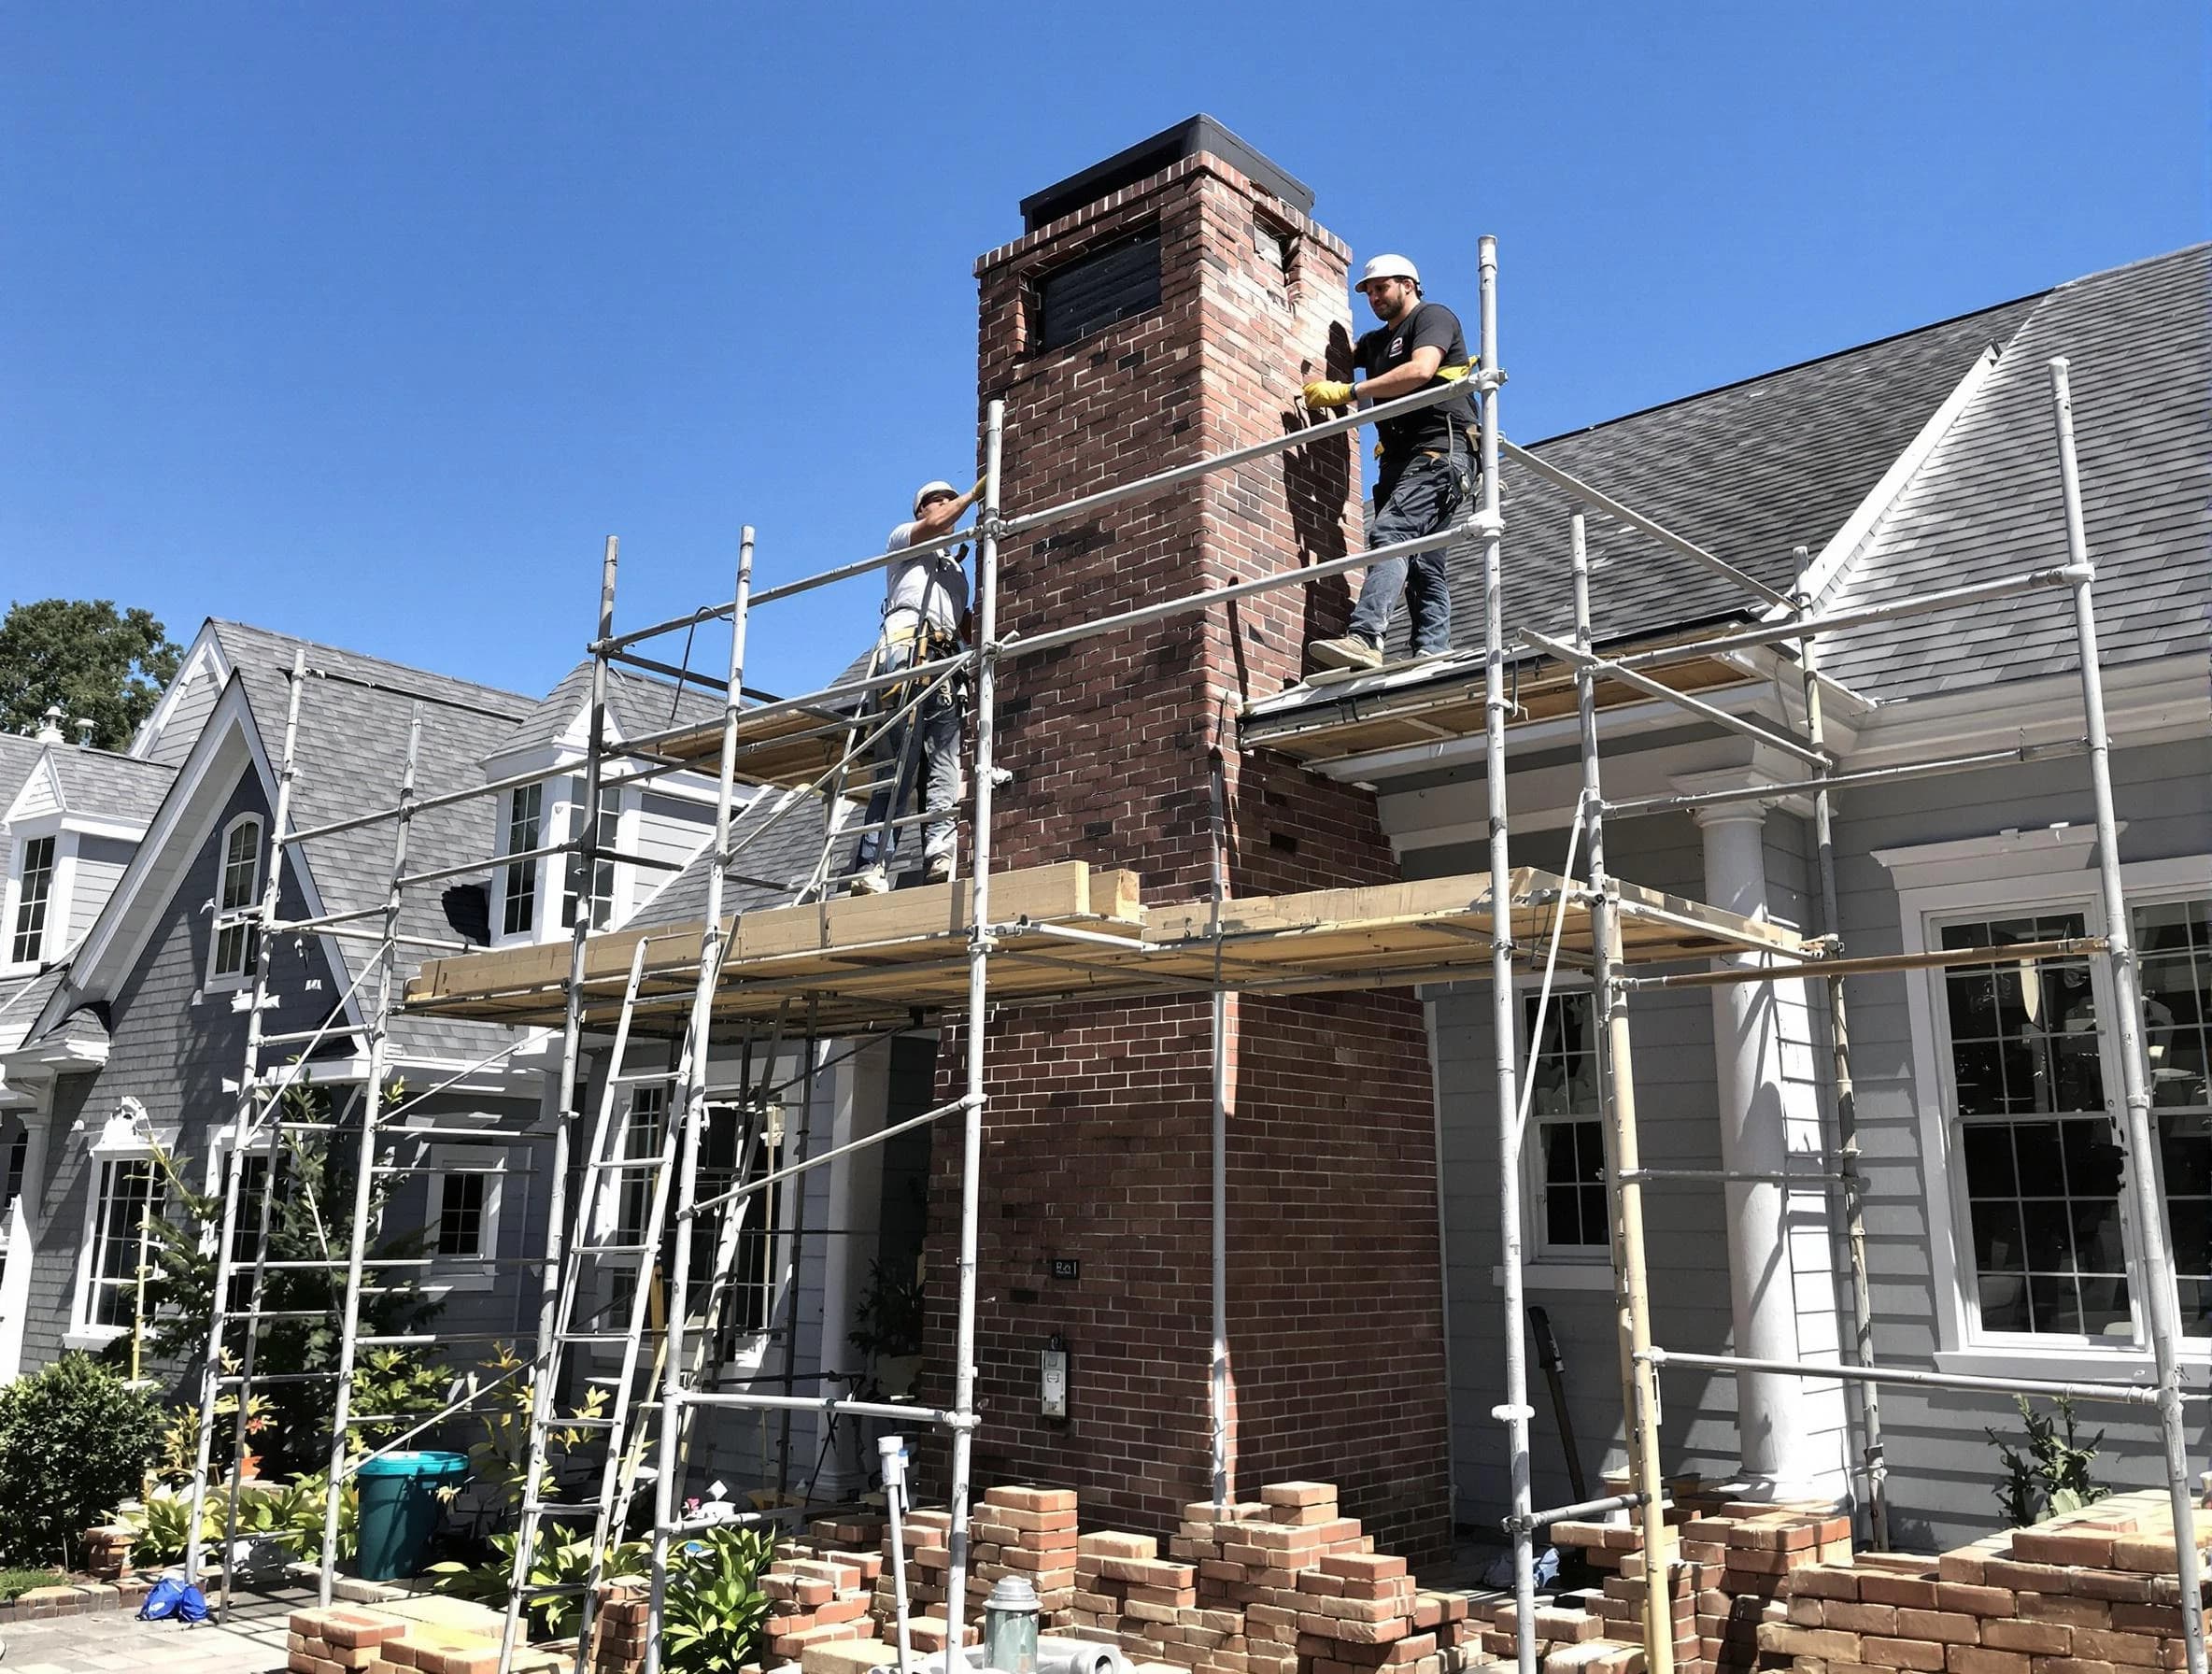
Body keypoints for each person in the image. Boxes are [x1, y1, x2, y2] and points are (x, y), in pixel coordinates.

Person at [1300, 253, 1479, 673]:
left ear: (1408, 285)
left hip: (1442, 448)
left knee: (1393, 532)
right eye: (1369, 292)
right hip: (1400, 459)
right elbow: (1344, 352)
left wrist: (1347, 392)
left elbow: (1421, 370)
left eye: (1382, 288)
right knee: (1422, 558)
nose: (1375, 297)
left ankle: (1365, 637)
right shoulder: (1377, 343)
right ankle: (1432, 651)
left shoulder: (1432, 318)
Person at [846, 477, 981, 894]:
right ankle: (872, 865)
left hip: (944, 660)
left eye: (947, 497)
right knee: (899, 768)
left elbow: (965, 626)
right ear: (920, 512)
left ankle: (939, 854)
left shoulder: (955, 569)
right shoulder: (903, 540)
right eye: (933, 501)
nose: (943, 504)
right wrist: (974, 495)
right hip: (907, 651)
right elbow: (940, 522)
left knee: (944, 765)